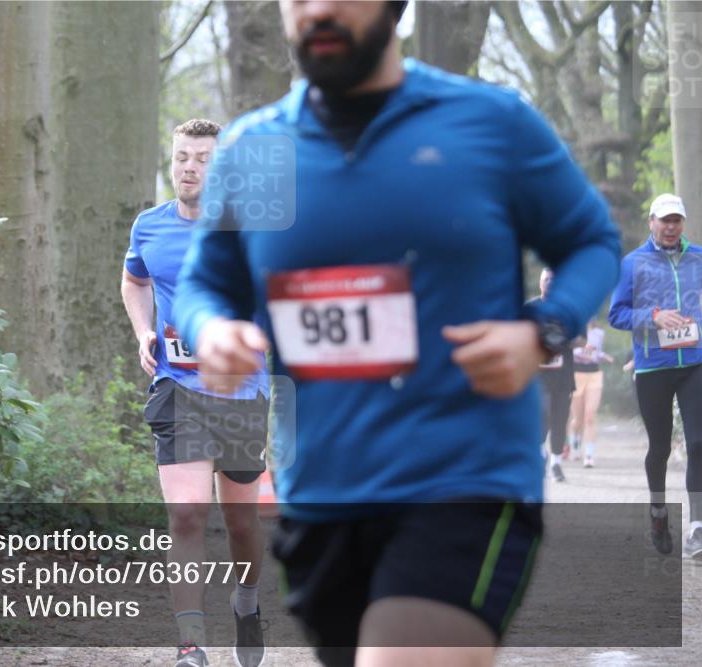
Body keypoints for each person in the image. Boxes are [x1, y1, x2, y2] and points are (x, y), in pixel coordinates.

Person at [173, 1, 621, 665]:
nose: (318, 8)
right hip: (322, 491)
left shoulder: (487, 124)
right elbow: (206, 283)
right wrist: (212, 330)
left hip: (463, 477)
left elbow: (590, 242)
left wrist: (541, 330)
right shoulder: (261, 150)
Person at [121, 118, 270, 667]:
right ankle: (190, 646)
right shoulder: (149, 226)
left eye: (203, 159)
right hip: (177, 388)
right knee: (185, 515)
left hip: (238, 392)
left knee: (240, 524)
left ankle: (247, 604)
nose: (190, 167)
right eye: (183, 156)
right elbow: (134, 280)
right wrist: (144, 330)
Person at [608, 193, 702, 560]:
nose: (670, 226)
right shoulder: (632, 264)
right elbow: (617, 315)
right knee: (660, 448)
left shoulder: (699, 258)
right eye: (664, 220)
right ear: (651, 222)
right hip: (653, 367)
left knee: (698, 444)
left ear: (683, 224)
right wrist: (653, 317)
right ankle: (659, 513)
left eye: (676, 220)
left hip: (695, 363)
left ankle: (697, 526)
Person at [530, 269, 576, 482]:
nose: (549, 283)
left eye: (553, 280)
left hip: (563, 375)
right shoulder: (531, 308)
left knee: (560, 418)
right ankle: (540, 452)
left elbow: (580, 338)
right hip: (538, 375)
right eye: (546, 279)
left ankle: (556, 463)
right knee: (542, 413)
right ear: (540, 283)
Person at [568, 318, 614, 468]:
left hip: (594, 375)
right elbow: (566, 351)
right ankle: (574, 442)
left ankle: (589, 455)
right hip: (576, 374)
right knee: (577, 419)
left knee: (590, 416)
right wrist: (582, 350)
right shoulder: (572, 329)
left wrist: (603, 356)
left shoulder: (599, 333)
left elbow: (596, 352)